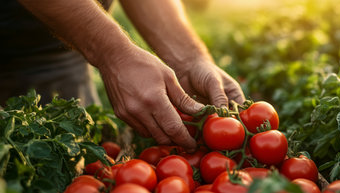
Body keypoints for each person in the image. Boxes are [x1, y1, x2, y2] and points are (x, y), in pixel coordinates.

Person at [0, 0, 245, 152]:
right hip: (16, 43)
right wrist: (113, 54)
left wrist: (188, 59)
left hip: (57, 48)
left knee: (68, 163)